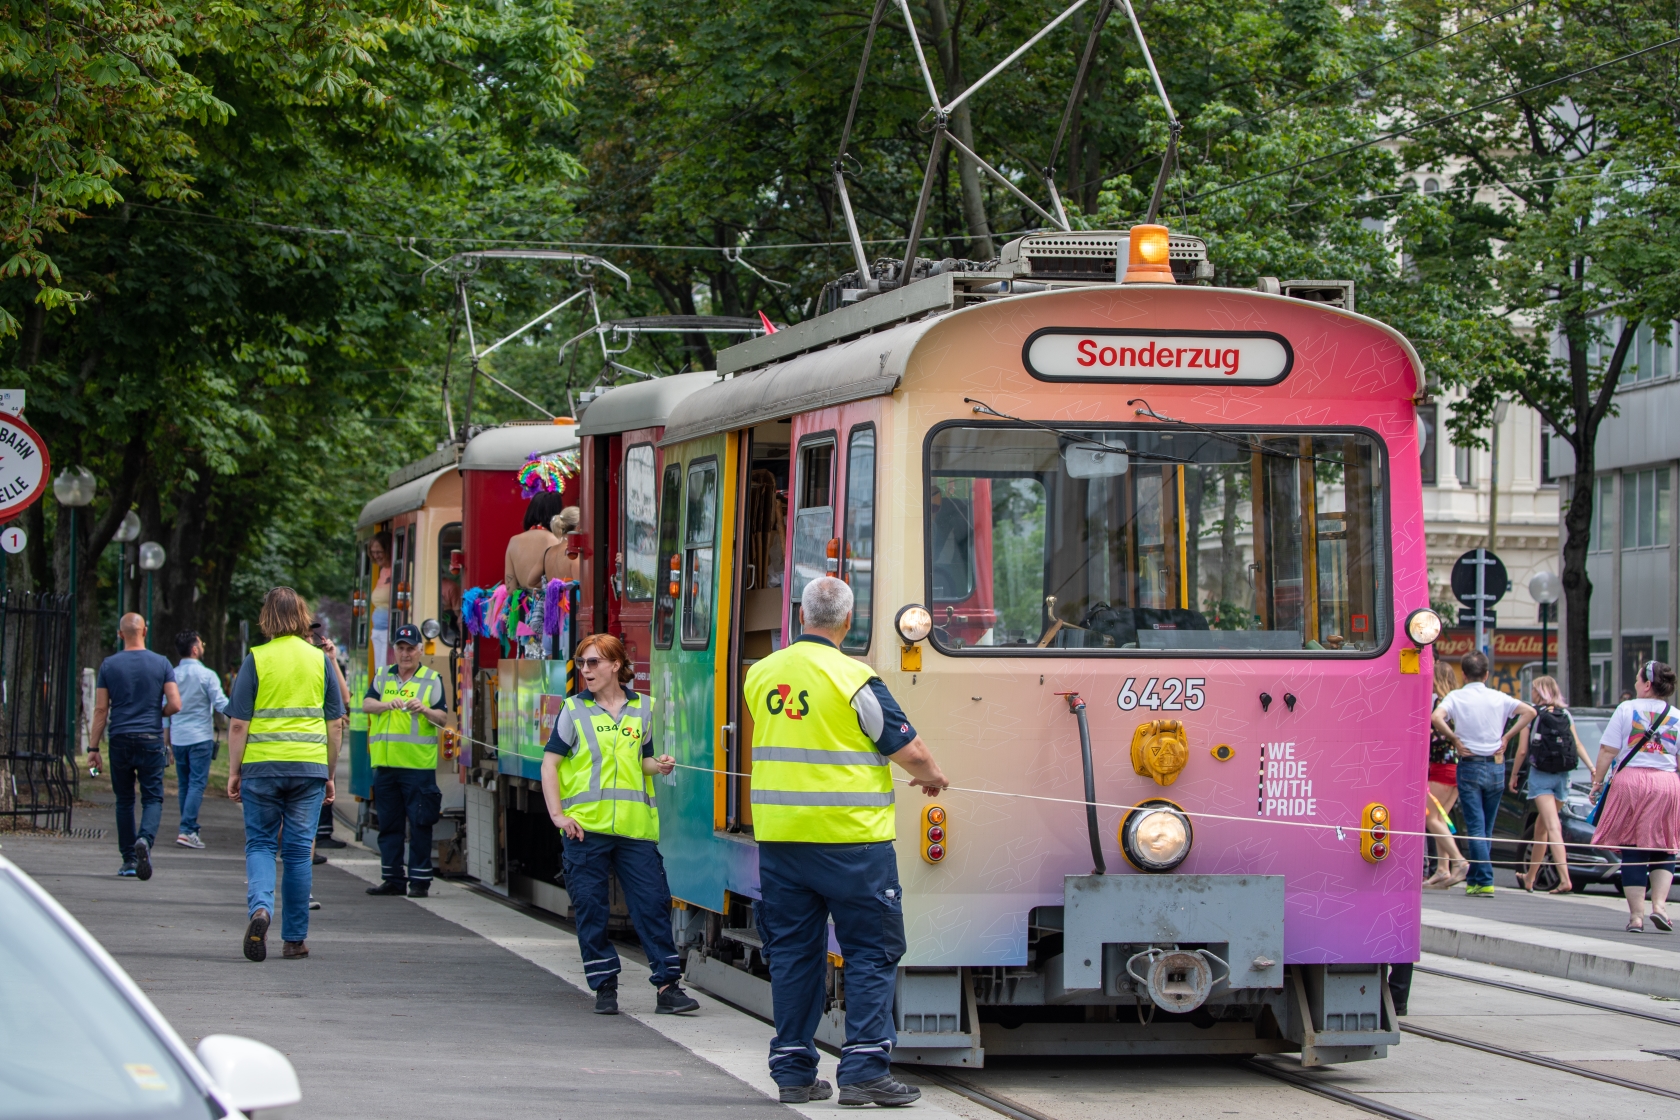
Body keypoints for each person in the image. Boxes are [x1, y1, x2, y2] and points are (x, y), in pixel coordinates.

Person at [744, 576, 950, 1107]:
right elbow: (904, 746)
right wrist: (932, 776)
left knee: (792, 954)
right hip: (853, 845)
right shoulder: (855, 677)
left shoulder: (761, 675)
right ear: (848, 622)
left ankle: (793, 1071)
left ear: (801, 615)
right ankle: (863, 1069)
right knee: (870, 951)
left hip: (782, 844)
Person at [539, 633, 698, 1017]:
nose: (585, 670)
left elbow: (640, 760)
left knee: (652, 904)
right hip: (585, 829)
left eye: (593, 663)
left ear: (616, 665)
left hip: (633, 829)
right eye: (581, 663)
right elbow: (550, 765)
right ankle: (604, 986)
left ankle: (667, 987)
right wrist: (558, 816)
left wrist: (657, 765)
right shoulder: (574, 710)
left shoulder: (643, 708)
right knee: (591, 908)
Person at [226, 587, 345, 962]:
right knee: (297, 853)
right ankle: (294, 940)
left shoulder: (256, 659)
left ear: (267, 618)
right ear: (300, 616)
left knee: (260, 844)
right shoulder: (318, 660)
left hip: (261, 769)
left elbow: (238, 725)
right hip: (308, 768)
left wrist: (234, 771)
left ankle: (261, 909)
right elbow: (336, 724)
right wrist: (328, 773)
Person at [1431, 650, 1536, 896]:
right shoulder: (1499, 697)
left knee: (1475, 826)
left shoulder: (1456, 697)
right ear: (1487, 674)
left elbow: (1436, 717)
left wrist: (1455, 738)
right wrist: (1508, 735)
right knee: (1486, 827)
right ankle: (1477, 878)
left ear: (1464, 674)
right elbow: (1530, 712)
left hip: (1469, 764)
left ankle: (1484, 878)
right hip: (1496, 766)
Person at [88, 615, 183, 880]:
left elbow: (100, 710)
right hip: (151, 738)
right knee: (152, 797)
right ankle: (145, 840)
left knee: (125, 800)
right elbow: (176, 704)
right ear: (145, 630)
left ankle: (129, 860)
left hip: (119, 737)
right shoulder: (161, 663)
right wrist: (157, 713)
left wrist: (92, 749)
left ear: (120, 635)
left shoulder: (109, 665)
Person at [1588, 660, 1680, 933]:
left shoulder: (1626, 709)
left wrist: (1597, 782)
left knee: (1633, 847)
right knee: (1666, 846)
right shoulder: (1676, 715)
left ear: (1648, 684)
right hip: (1666, 784)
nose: (1637, 684)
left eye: (1639, 680)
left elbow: (1607, 750)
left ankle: (1636, 917)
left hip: (1631, 783)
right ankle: (1660, 906)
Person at [364, 623, 449, 898]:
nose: (405, 654)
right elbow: (366, 704)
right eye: (400, 648)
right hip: (386, 767)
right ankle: (392, 879)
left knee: (420, 825)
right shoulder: (382, 677)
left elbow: (443, 718)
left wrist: (424, 709)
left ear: (420, 650)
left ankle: (420, 882)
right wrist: (384, 705)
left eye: (410, 649)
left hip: (417, 768)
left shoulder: (431, 679)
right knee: (389, 825)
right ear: (394, 650)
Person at [1508, 675, 1594, 893]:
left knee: (1552, 826)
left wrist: (1514, 774)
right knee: (1542, 827)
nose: (1533, 693)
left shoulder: (1534, 714)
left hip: (1542, 778)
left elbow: (1523, 750)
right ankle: (1530, 877)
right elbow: (1577, 743)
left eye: (1535, 689)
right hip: (1563, 777)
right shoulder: (1565, 714)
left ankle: (1564, 878)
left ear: (1540, 692)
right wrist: (1592, 768)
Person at [168, 630, 229, 850]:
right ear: (195, 649)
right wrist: (241, 714)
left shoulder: (171, 675)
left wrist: (167, 739)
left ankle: (188, 827)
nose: (203, 646)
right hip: (200, 737)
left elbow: (165, 708)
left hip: (178, 737)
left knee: (184, 785)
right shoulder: (207, 675)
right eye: (201, 644)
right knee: (196, 784)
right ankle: (187, 829)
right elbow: (221, 703)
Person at [1422, 660, 1467, 889]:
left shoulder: (1440, 705)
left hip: (1441, 767)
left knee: (1429, 817)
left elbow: (1436, 739)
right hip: (1457, 767)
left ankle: (1458, 861)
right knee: (1440, 820)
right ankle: (1442, 868)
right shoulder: (1457, 704)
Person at [310, 621, 351, 856]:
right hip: (311, 748)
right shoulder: (311, 662)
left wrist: (332, 659)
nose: (313, 640)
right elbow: (343, 704)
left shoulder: (321, 661)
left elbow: (344, 698)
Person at [505, 491, 566, 590]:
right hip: (548, 604)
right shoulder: (556, 540)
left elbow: (510, 589)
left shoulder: (514, 541)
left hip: (521, 605)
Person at [367, 531, 393, 671]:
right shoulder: (383, 571)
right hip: (378, 630)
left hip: (389, 631)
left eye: (379, 551)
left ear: (388, 549)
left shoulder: (398, 570)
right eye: (373, 552)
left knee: (383, 672)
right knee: (379, 671)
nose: (376, 555)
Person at [545, 505, 582, 583]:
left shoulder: (548, 552)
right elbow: (581, 589)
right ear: (578, 528)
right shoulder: (574, 554)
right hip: (569, 595)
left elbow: (531, 581)